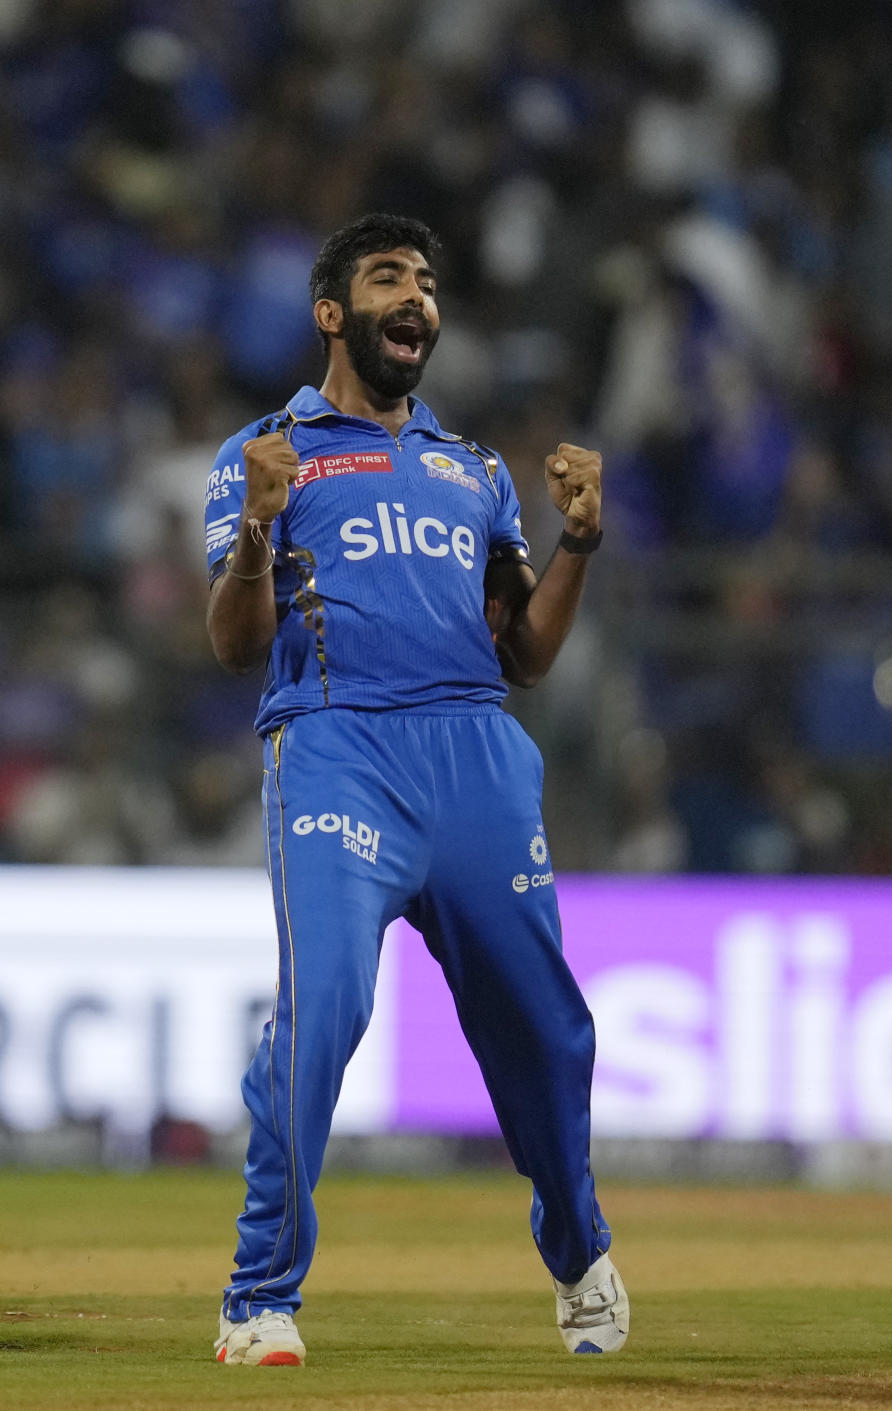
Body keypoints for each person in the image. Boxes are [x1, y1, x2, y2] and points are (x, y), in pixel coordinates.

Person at [204, 212, 628, 1366]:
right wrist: (254, 524)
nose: (419, 298)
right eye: (390, 277)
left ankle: (581, 1253)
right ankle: (259, 1297)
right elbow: (235, 643)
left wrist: (577, 543)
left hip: (477, 753)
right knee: (324, 1009)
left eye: (429, 283)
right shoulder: (268, 452)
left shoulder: (475, 469)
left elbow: (527, 656)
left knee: (545, 1034)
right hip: (338, 749)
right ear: (332, 312)